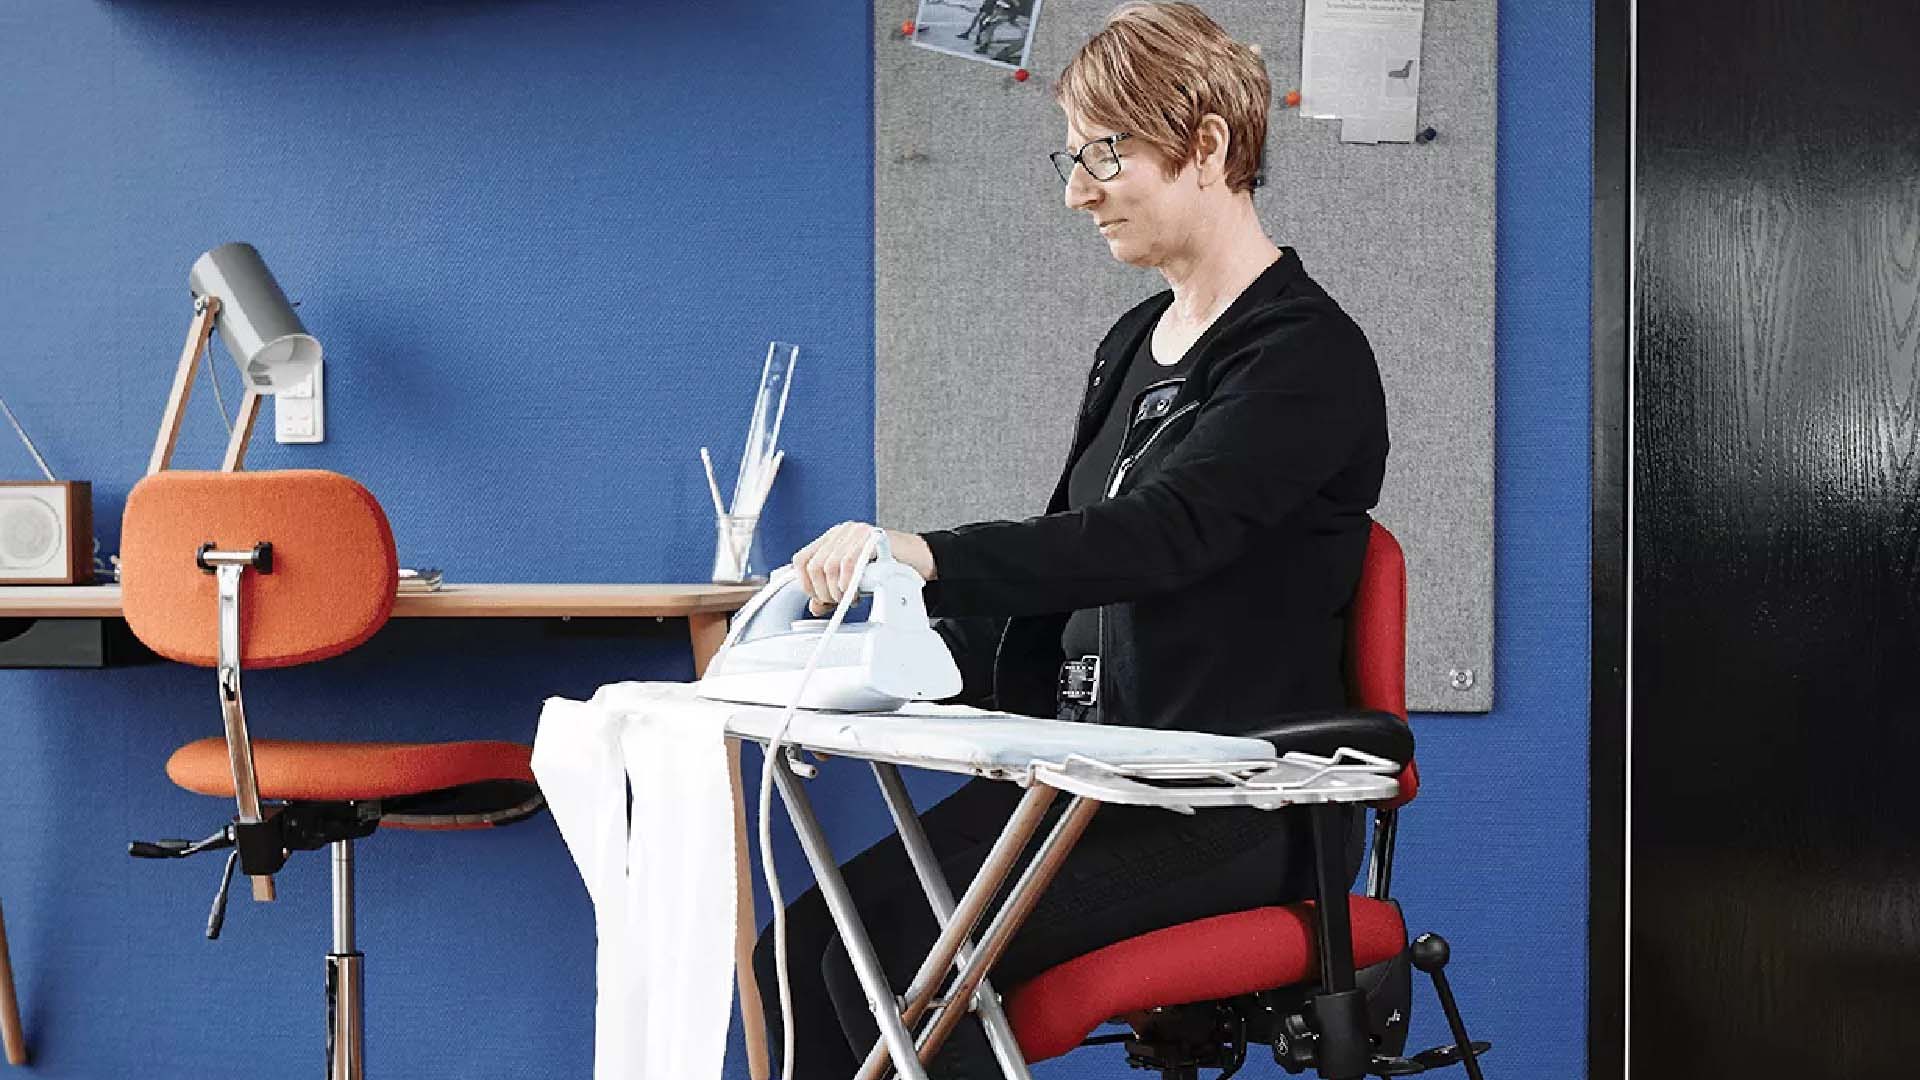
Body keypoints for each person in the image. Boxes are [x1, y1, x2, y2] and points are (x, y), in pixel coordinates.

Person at [756, 4, 1389, 1076]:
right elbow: (1071, 558)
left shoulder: (1305, 357)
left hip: (1225, 801)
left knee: (911, 965)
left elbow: (1157, 538)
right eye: (1074, 153)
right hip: (1087, 776)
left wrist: (928, 552)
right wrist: (876, 649)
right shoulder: (1132, 342)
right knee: (806, 945)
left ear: (1211, 148)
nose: (1075, 190)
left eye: (1106, 153)